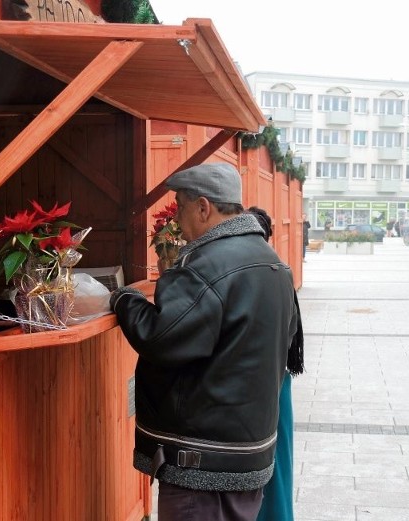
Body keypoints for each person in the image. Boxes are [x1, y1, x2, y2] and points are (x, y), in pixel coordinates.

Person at [110, 163, 300, 521]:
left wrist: (124, 299)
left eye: (180, 207)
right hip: (247, 456)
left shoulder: (205, 265)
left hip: (204, 464)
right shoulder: (272, 262)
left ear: (203, 207)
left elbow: (161, 336)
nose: (178, 221)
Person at [246, 207, 304, 521]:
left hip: (262, 385)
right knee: (278, 465)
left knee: (269, 465)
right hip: (278, 381)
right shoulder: (280, 270)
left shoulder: (259, 272)